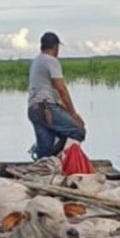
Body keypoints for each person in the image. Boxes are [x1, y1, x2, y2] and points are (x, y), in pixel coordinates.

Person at [27, 31, 86, 160]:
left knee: (46, 150)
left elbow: (55, 95)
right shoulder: (51, 61)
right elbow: (61, 89)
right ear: (56, 47)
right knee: (78, 130)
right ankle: (67, 162)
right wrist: (74, 114)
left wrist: (67, 112)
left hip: (33, 110)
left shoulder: (36, 61)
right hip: (45, 109)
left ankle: (44, 160)